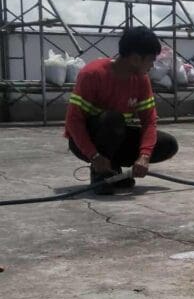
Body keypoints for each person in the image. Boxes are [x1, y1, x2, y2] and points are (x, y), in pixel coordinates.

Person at [65, 26, 178, 193]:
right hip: (88, 142)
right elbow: (74, 122)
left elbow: (149, 121)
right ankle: (100, 174)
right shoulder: (93, 74)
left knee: (167, 144)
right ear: (135, 58)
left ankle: (114, 170)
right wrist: (94, 155)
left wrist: (144, 156)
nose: (152, 66)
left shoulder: (141, 80)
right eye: (151, 60)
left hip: (117, 137)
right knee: (113, 118)